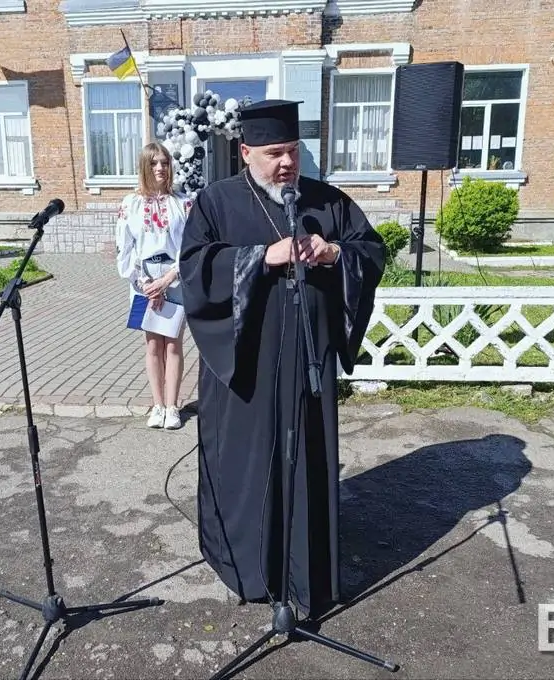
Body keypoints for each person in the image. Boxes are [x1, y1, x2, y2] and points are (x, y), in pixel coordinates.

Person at [178, 99, 386, 619]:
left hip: (307, 365)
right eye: (274, 153)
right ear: (246, 152)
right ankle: (249, 570)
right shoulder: (216, 202)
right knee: (246, 466)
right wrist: (259, 257)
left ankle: (304, 572)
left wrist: (334, 254)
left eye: (292, 150)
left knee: (305, 462)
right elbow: (195, 269)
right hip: (244, 368)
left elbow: (370, 251)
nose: (287, 163)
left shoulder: (326, 201)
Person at [116, 141, 192, 430]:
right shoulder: (131, 204)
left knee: (173, 344)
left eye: (164, 162)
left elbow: (190, 247)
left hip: (174, 277)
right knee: (152, 345)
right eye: (153, 163)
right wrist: (145, 283)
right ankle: (157, 405)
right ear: (144, 167)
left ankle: (172, 406)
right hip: (143, 279)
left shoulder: (182, 202)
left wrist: (167, 279)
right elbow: (125, 248)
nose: (160, 168)